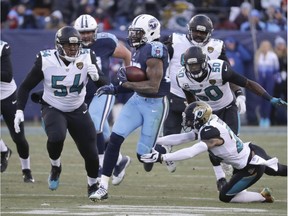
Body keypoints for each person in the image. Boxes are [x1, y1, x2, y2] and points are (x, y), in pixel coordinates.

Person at [13, 26, 107, 198]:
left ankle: (92, 186)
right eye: (68, 45)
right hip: (53, 106)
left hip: (78, 108)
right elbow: (25, 87)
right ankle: (56, 166)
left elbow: (105, 84)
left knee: (92, 154)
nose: (73, 49)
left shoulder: (88, 57)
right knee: (56, 137)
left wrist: (97, 77)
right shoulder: (46, 59)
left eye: (76, 45)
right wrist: (19, 110)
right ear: (58, 45)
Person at [175, 45, 286, 189]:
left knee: (231, 145)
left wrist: (269, 98)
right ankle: (220, 179)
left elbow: (247, 83)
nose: (194, 69)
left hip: (227, 108)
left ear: (204, 62)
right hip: (207, 113)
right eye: (191, 65)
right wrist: (194, 115)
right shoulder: (182, 77)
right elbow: (191, 99)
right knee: (209, 143)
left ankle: (235, 179)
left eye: (197, 65)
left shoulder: (220, 69)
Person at [89, 14, 171, 201]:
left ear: (151, 32)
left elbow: (153, 86)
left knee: (144, 156)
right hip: (137, 101)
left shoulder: (155, 49)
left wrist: (124, 86)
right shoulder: (140, 49)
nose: (133, 36)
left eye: (138, 33)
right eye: (133, 32)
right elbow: (136, 83)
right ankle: (103, 187)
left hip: (155, 105)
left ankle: (165, 151)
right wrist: (114, 89)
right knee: (115, 140)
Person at [140, 101, 287, 203]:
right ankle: (252, 190)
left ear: (199, 117)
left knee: (225, 196)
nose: (189, 123)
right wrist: (156, 140)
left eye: (191, 120)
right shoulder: (211, 122)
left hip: (250, 167)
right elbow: (184, 137)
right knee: (278, 169)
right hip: (252, 151)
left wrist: (162, 156)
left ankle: (263, 197)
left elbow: (191, 151)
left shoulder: (210, 131)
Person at [163, 14, 246, 187]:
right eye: (195, 32)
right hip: (176, 92)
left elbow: (228, 74)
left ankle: (221, 177)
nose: (199, 35)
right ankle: (165, 154)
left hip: (204, 98)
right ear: (189, 30)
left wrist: (239, 94)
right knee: (171, 134)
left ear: (209, 33)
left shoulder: (216, 47)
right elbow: (158, 61)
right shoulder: (175, 41)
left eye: (202, 33)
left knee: (211, 136)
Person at [74, 14, 132, 185]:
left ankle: (99, 169)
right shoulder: (70, 45)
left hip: (103, 91)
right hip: (83, 95)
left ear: (96, 31)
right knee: (104, 134)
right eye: (82, 32)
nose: (85, 36)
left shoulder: (106, 42)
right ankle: (120, 161)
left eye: (89, 32)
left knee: (94, 125)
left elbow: (127, 54)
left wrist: (126, 77)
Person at [0, 40, 34, 182]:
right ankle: (4, 150)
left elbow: (7, 76)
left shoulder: (2, 46)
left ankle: (26, 170)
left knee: (18, 137)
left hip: (7, 97)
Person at [254, 40, 280, 128]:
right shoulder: (259, 56)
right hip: (261, 79)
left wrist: (277, 79)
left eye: (267, 46)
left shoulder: (273, 56)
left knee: (269, 98)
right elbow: (257, 69)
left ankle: (267, 118)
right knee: (261, 99)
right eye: (263, 46)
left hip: (270, 79)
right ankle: (262, 118)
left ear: (269, 47)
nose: (265, 48)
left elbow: (276, 69)